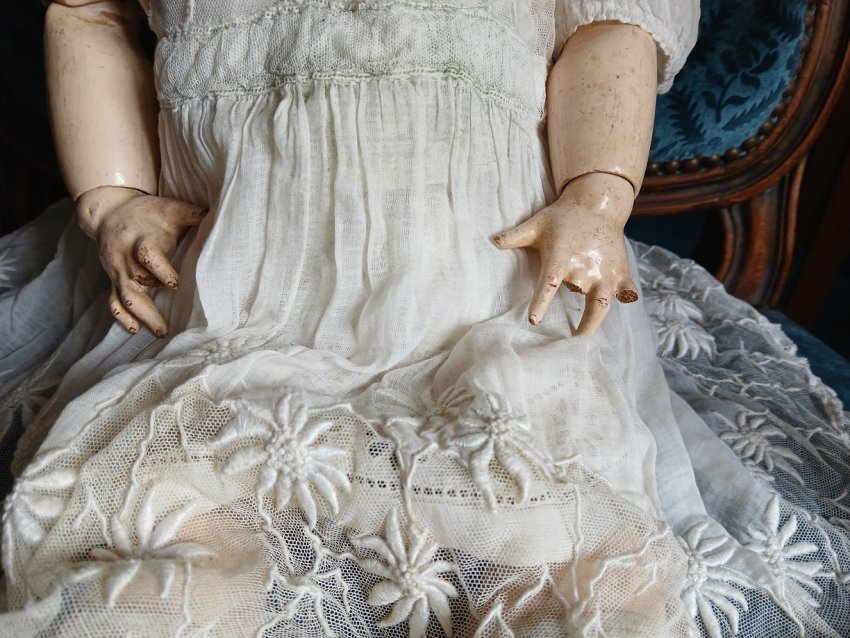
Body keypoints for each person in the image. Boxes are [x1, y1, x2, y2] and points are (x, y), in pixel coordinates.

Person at [1, 1, 849, 636]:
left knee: (572, 550)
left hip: (482, 303)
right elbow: (89, 14)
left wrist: (595, 198)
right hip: (233, 304)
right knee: (160, 519)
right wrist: (115, 202)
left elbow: (605, 32)